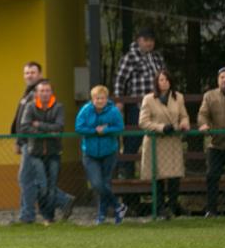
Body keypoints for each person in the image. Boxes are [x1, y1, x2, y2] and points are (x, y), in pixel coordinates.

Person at [18, 80, 75, 225]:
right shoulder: (30, 107)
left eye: (47, 90)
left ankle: (49, 218)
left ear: (51, 92)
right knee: (42, 185)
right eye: (41, 91)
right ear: (37, 93)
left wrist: (39, 126)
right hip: (35, 152)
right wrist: (48, 131)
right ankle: (64, 201)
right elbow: (24, 127)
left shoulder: (58, 107)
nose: (44, 93)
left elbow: (59, 127)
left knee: (51, 186)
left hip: (53, 152)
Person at [114, 28, 165, 178]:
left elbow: (165, 79)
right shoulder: (129, 58)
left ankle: (158, 176)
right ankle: (126, 173)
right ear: (139, 40)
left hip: (158, 105)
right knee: (133, 140)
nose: (149, 43)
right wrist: (119, 100)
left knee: (158, 140)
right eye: (146, 40)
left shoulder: (157, 58)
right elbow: (120, 80)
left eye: (151, 40)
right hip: (137, 106)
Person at [138, 69, 189, 218]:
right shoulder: (148, 99)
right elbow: (143, 122)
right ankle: (159, 208)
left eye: (166, 80)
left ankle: (172, 206)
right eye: (161, 80)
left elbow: (184, 116)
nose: (164, 82)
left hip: (172, 141)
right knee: (157, 176)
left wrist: (184, 124)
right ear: (156, 82)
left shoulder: (178, 97)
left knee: (174, 176)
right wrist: (161, 128)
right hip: (156, 141)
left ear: (170, 81)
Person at [75, 86, 127, 224]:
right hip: (90, 153)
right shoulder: (86, 110)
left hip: (109, 152)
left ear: (106, 99)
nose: (100, 101)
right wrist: (94, 130)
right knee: (97, 184)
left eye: (102, 98)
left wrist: (106, 130)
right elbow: (79, 127)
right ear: (92, 99)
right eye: (97, 98)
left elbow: (120, 127)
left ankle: (101, 216)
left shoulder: (114, 111)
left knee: (106, 184)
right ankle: (118, 206)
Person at [197, 66, 225, 218]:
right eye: (221, 77)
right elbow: (203, 114)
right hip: (215, 145)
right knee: (212, 176)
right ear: (218, 79)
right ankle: (211, 210)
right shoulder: (209, 96)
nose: (224, 80)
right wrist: (204, 124)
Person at [11, 61, 43, 223]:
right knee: (31, 178)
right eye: (27, 73)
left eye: (32, 72)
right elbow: (20, 117)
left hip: (33, 143)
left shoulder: (39, 92)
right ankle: (27, 214)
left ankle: (27, 215)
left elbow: (33, 120)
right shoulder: (28, 92)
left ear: (40, 75)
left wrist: (23, 139)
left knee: (25, 178)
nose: (29, 75)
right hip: (25, 141)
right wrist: (17, 139)